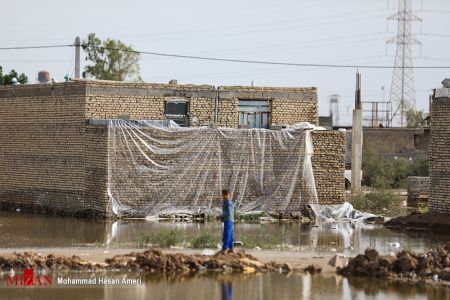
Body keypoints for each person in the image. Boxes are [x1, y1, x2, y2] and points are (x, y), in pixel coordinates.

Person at [221, 189, 234, 254]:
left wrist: (221, 216)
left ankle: (224, 249)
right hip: (229, 220)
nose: (225, 196)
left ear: (229, 195)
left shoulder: (228, 202)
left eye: (227, 195)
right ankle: (231, 248)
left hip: (228, 220)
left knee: (227, 234)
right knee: (230, 235)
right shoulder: (227, 202)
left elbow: (228, 213)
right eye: (224, 195)